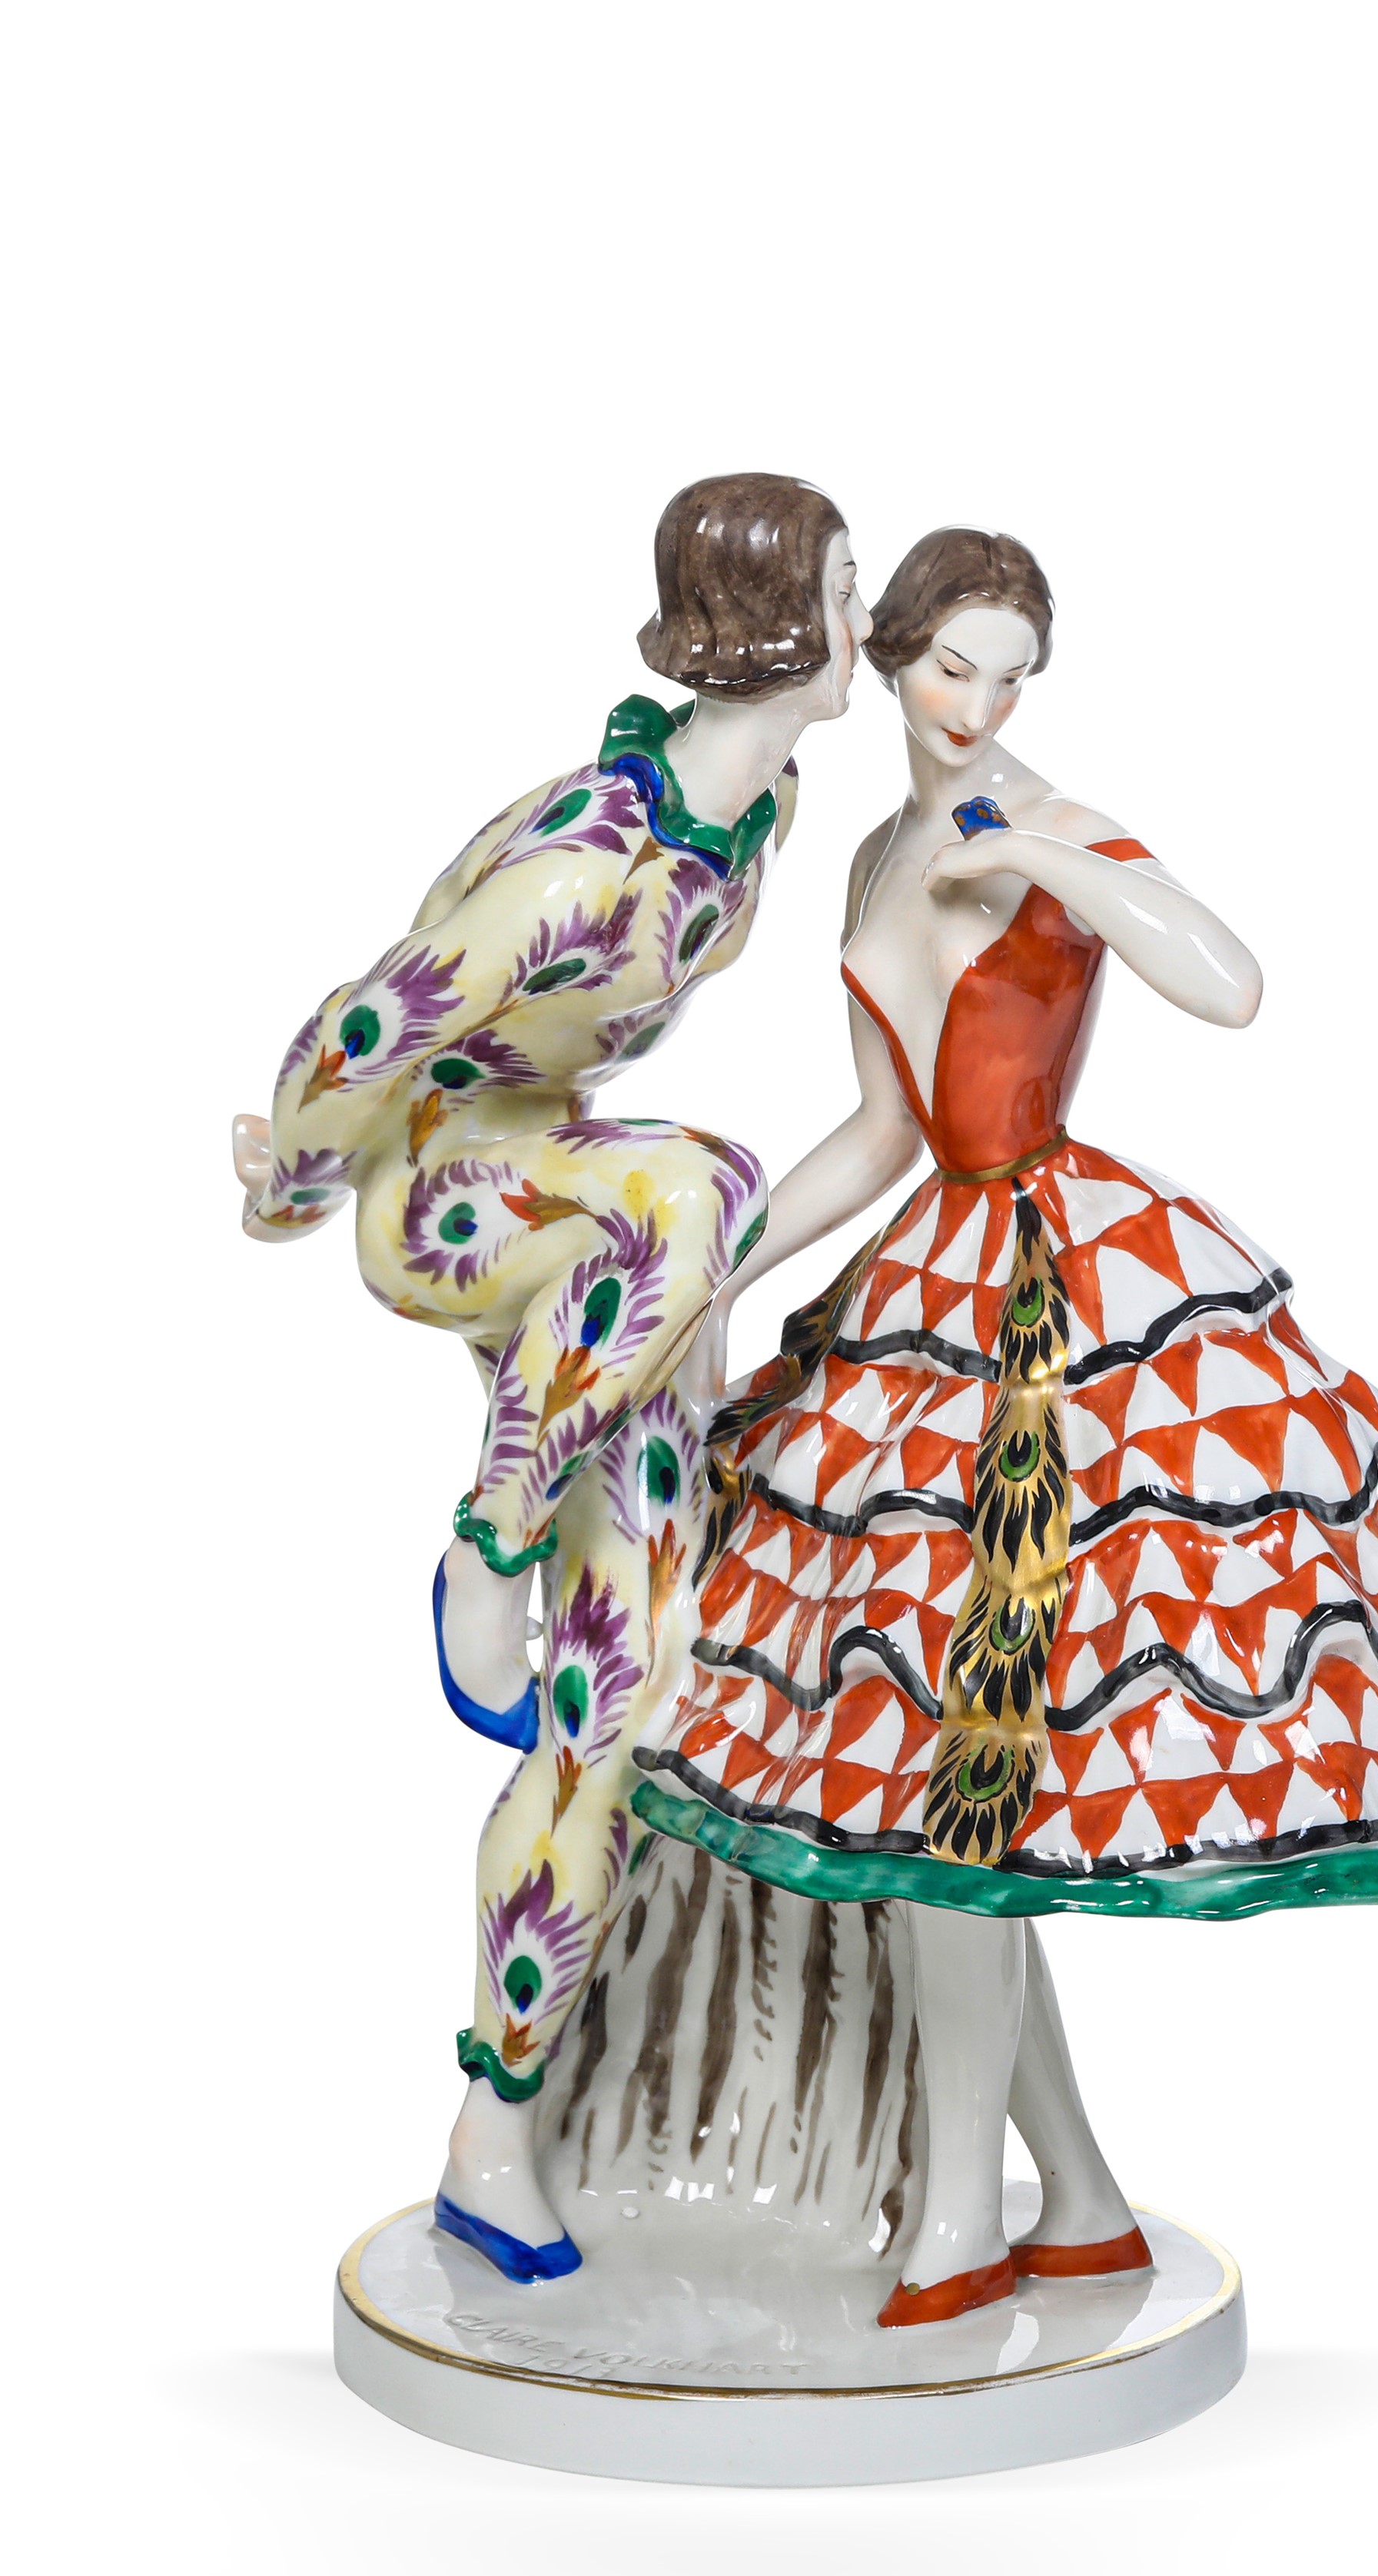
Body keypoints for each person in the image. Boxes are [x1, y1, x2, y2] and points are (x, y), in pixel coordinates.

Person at [629, 528, 1378, 2325]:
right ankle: (1082, 2202)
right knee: (936, 1802)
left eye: (1010, 672)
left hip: (1055, 1301)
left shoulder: (1045, 824)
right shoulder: (875, 852)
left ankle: (967, 2220)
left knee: (955, 1802)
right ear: (890, 659)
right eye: (949, 666)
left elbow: (1228, 980)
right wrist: (712, 1269)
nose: (977, 703)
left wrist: (1046, 854)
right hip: (933, 1282)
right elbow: (882, 1137)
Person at [233, 473, 870, 2278]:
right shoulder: (590, 866)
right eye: (843, 589)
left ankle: (492, 2130)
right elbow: (364, 1028)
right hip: (448, 1201)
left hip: (596, 1251)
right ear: (780, 624)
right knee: (701, 1181)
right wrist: (286, 1187)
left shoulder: (756, 812)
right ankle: (487, 1535)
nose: (862, 619)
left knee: (618, 1689)